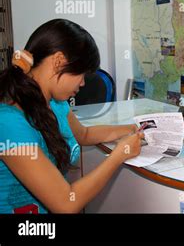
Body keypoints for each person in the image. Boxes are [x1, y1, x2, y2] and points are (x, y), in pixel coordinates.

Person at [0, 19, 144, 213]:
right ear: (59, 61)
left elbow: (83, 134)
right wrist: (119, 155)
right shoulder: (9, 121)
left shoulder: (55, 103)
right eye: (81, 74)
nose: (83, 83)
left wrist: (130, 129)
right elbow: (66, 203)